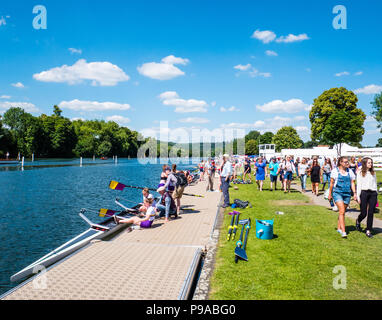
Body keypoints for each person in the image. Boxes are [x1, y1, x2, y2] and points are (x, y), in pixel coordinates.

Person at [328, 157, 357, 238]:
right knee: (342, 211)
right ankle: (344, 232)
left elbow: (352, 183)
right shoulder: (335, 171)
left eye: (347, 162)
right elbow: (331, 183)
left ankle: (339, 228)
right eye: (345, 162)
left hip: (347, 194)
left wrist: (354, 193)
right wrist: (330, 194)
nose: (347, 163)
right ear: (340, 163)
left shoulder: (350, 171)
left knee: (342, 212)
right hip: (337, 193)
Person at [355, 157, 378, 238]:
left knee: (371, 212)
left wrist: (376, 193)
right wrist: (358, 196)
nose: (370, 164)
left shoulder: (373, 173)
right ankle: (358, 220)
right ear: (365, 163)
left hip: (373, 193)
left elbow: (375, 183)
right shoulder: (360, 172)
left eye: (371, 162)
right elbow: (359, 185)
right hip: (364, 193)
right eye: (369, 163)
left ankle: (368, 230)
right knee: (364, 213)